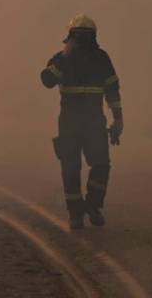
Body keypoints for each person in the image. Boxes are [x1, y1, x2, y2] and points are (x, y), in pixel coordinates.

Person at [40, 14, 123, 229]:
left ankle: (88, 208)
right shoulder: (89, 58)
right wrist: (117, 120)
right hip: (80, 122)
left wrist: (118, 119)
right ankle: (79, 213)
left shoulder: (97, 58)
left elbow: (112, 89)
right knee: (83, 166)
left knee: (87, 166)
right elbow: (47, 80)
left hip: (83, 122)